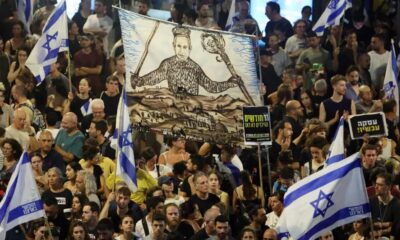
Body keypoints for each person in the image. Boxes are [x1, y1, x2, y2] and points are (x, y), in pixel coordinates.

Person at [131, 26, 240, 96]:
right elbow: (154, 77)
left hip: (193, 110)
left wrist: (228, 84)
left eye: (184, 47)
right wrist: (140, 81)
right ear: (173, 46)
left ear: (190, 48)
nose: (181, 50)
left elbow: (210, 86)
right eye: (178, 46)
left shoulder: (194, 67)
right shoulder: (168, 64)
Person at [319, 75, 356, 140]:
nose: (345, 88)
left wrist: (347, 120)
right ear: (334, 86)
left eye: (345, 85)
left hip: (348, 139)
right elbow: (320, 127)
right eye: (342, 85)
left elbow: (355, 124)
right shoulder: (324, 104)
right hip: (332, 139)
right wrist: (334, 120)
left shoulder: (350, 102)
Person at [370, 172, 400, 239]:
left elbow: (397, 231)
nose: (376, 187)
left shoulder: (397, 205)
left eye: (380, 185)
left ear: (388, 187)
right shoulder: (371, 201)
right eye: (376, 184)